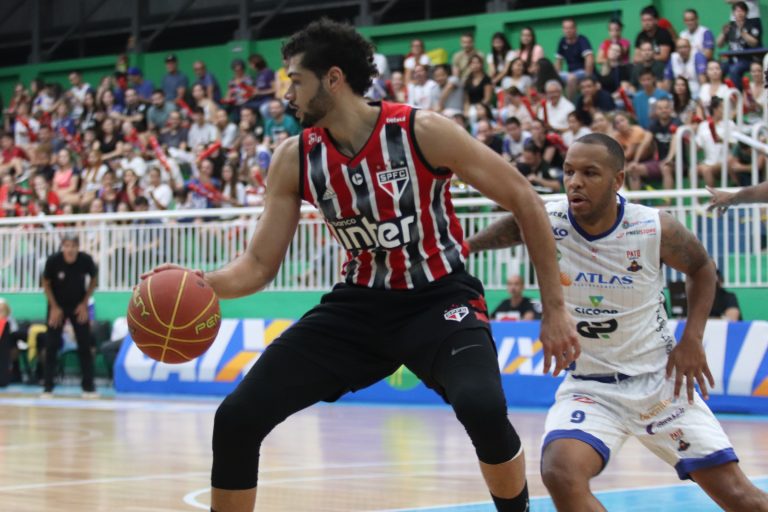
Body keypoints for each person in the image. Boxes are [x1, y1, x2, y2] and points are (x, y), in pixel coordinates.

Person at [144, 19, 579, 512]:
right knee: (237, 418)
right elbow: (260, 264)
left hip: (439, 298)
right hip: (359, 308)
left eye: (296, 80)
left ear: (333, 79)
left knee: (482, 407)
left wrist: (554, 308)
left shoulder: (421, 131)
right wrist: (199, 283)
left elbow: (525, 199)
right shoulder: (295, 158)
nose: (287, 94)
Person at [467, 133, 768, 512]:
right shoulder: (549, 217)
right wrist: (465, 247)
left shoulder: (653, 227)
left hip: (659, 383)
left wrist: (692, 338)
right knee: (560, 472)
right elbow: (515, 225)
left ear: (618, 180)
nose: (575, 182)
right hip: (590, 387)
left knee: (741, 499)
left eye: (590, 173)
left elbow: (702, 268)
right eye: (569, 171)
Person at [41, 233, 98, 398]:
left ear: (78, 247)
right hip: (56, 306)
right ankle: (48, 388)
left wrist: (84, 303)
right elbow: (46, 283)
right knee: (51, 345)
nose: (70, 249)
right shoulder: (53, 261)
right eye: (67, 246)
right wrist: (54, 307)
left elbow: (94, 279)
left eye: (73, 246)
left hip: (78, 306)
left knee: (85, 345)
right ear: (62, 247)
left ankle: (88, 387)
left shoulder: (85, 260)